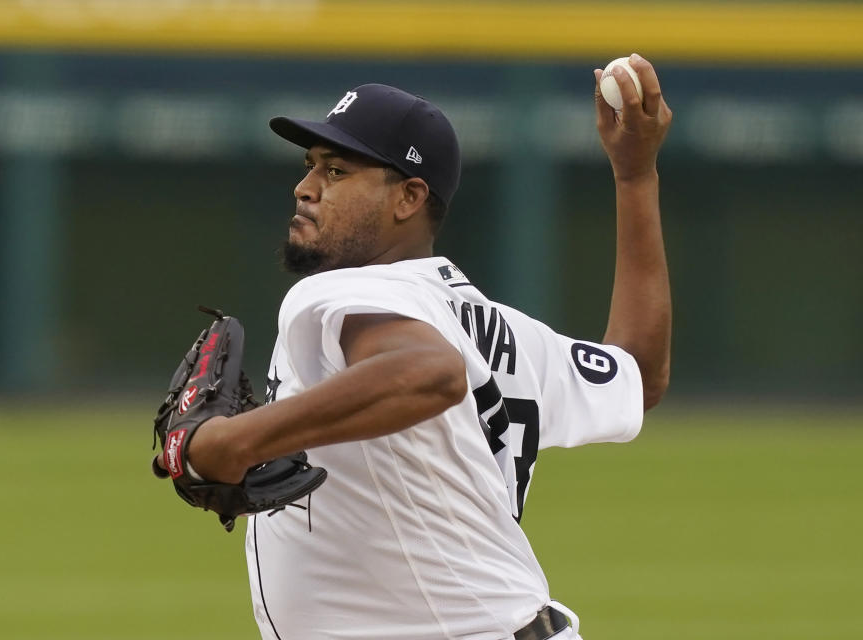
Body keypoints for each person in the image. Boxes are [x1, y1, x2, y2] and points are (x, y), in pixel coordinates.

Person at [183, 55, 672, 639]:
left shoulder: (341, 291)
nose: (305, 187)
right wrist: (636, 177)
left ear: (409, 198)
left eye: (337, 171)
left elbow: (429, 372)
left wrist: (228, 444)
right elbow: (637, 373)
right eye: (310, 164)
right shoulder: (500, 328)